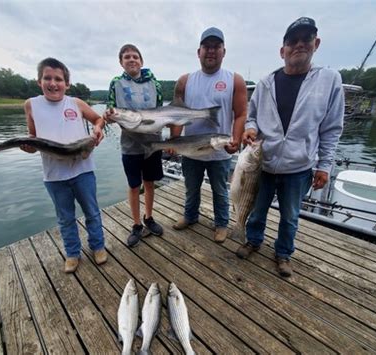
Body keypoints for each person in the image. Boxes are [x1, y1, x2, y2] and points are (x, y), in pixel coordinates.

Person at [235, 17, 344, 277]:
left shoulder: (330, 80)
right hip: (264, 163)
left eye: (305, 39)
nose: (299, 45)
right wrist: (250, 129)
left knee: (291, 216)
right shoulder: (265, 83)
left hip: (299, 167)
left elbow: (331, 128)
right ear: (282, 50)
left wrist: (324, 165)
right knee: (256, 208)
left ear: (316, 44)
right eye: (292, 41)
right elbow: (252, 116)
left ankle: (283, 254)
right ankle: (253, 240)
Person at [21, 57, 107, 273]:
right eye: (47, 78)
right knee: (65, 218)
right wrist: (28, 146)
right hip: (54, 175)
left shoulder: (76, 103)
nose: (53, 83)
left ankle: (98, 246)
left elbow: (98, 120)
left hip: (83, 170)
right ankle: (72, 253)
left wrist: (98, 130)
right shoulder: (31, 104)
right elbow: (33, 136)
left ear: (67, 84)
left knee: (92, 212)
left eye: (58, 79)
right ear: (39, 81)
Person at [170, 27, 247, 243]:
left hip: (219, 150)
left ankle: (221, 224)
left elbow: (241, 114)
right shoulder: (185, 81)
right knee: (191, 187)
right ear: (199, 51)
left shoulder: (235, 80)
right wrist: (172, 142)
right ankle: (190, 216)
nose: (211, 51)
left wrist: (236, 140)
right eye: (207, 47)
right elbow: (177, 115)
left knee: (220, 190)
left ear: (224, 51)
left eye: (216, 47)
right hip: (191, 148)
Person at [104, 44, 164, 247]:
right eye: (127, 57)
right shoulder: (116, 83)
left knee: (149, 182)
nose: (131, 59)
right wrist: (108, 117)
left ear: (141, 61)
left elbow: (160, 111)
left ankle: (149, 218)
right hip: (130, 144)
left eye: (135, 56)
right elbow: (110, 112)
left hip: (153, 143)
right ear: (121, 62)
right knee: (133, 185)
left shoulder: (155, 83)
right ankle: (137, 224)